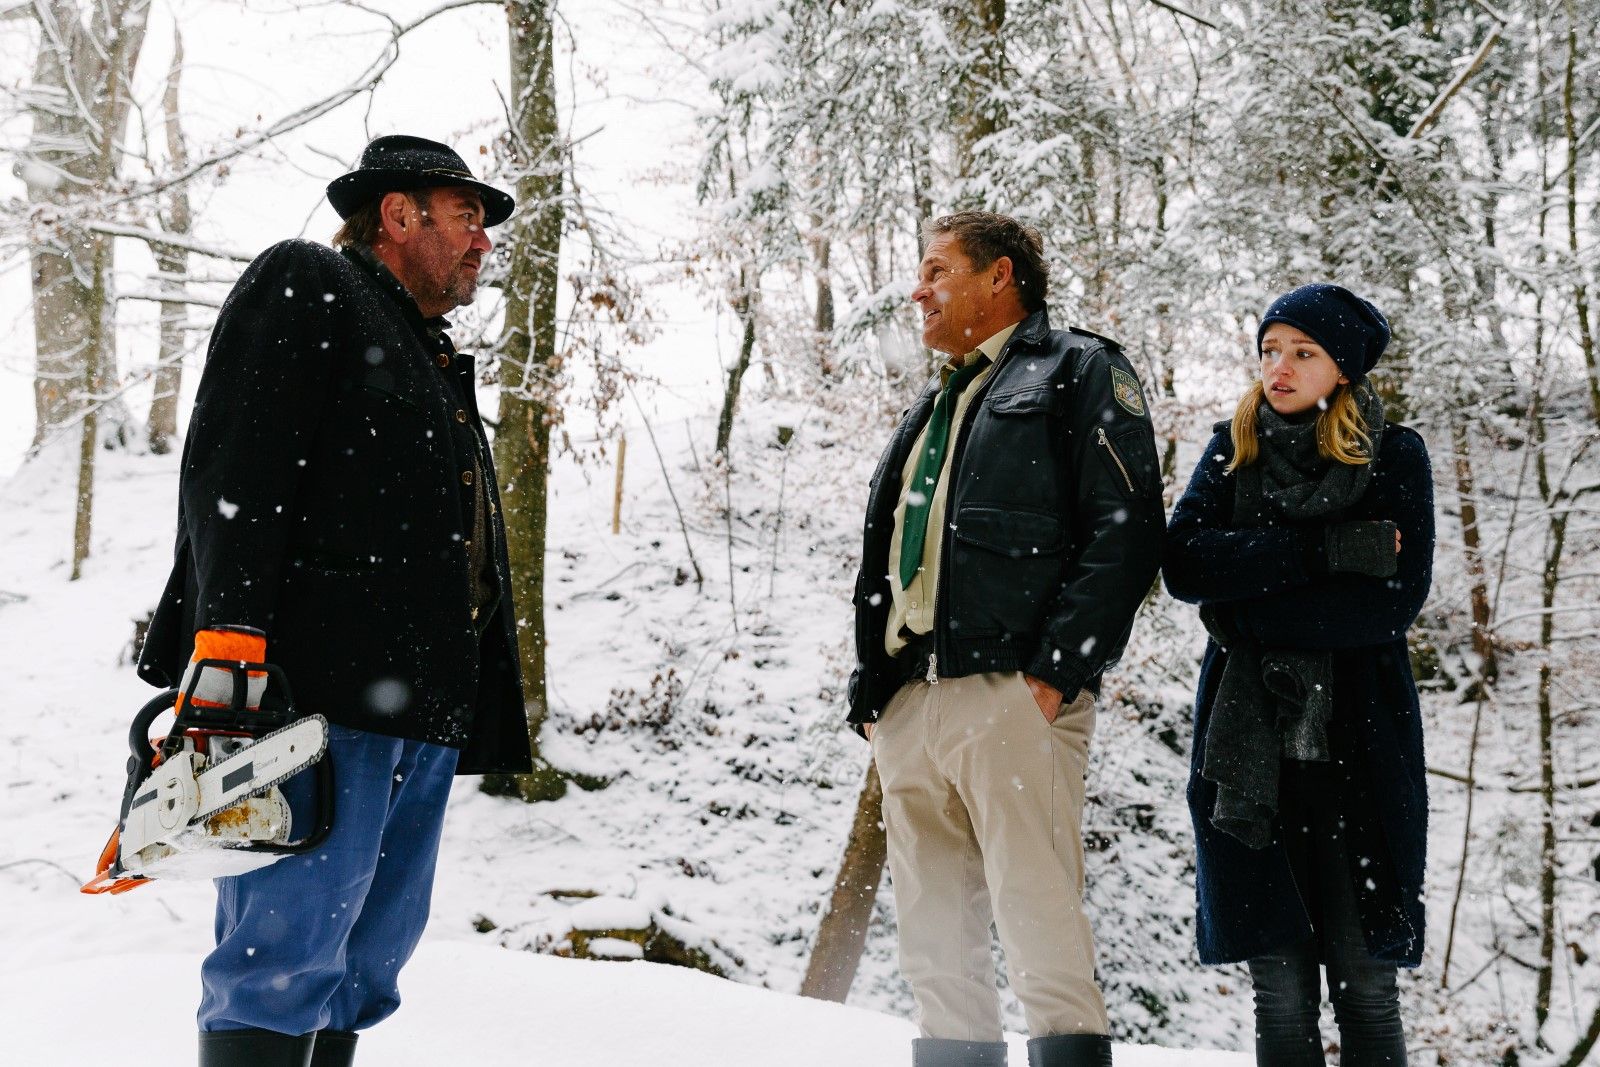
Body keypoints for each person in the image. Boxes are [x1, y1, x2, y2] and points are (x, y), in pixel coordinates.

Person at [136, 135, 531, 1067]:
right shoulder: (311, 281)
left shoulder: (429, 351)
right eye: (466, 214)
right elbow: (239, 458)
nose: (482, 240)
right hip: (320, 696)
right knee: (280, 953)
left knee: (365, 965)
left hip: (421, 707)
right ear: (398, 215)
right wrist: (228, 633)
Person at [846, 210, 1165, 1067]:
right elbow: (886, 554)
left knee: (1043, 937)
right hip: (912, 704)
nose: (919, 288)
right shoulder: (932, 403)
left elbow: (1126, 530)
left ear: (1001, 278)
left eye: (938, 269)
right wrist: (872, 691)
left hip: (1012, 697)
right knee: (935, 954)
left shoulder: (1080, 369)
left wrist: (1054, 675)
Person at [1164, 284, 1435, 1066]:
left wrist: (1243, 612)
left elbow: (1386, 607)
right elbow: (1184, 564)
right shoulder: (1232, 448)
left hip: (1363, 757)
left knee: (1367, 993)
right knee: (1280, 1000)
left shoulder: (1395, 456)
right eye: (1270, 349)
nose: (1278, 367)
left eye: (1302, 352)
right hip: (1251, 763)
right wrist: (1320, 554)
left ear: (1342, 369)